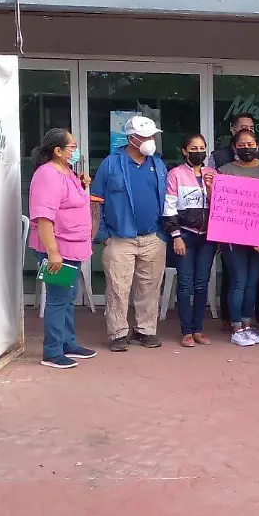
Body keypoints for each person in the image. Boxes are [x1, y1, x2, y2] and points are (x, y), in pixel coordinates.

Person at [91, 115, 168, 353]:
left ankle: (145, 330)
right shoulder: (111, 164)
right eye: (145, 137)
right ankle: (118, 333)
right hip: (119, 237)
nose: (150, 140)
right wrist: (102, 234)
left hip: (153, 236)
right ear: (132, 138)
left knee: (150, 286)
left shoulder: (157, 163)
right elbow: (95, 201)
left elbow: (167, 198)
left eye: (152, 136)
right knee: (118, 287)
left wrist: (163, 233)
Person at [27, 128, 97, 369]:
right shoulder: (47, 174)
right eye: (72, 148)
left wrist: (81, 183)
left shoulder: (67, 172)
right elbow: (44, 217)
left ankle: (68, 342)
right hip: (57, 247)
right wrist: (53, 252)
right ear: (57, 151)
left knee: (67, 298)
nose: (75, 152)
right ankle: (52, 351)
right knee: (58, 299)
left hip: (73, 246)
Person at [213, 129, 259, 346]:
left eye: (250, 144)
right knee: (238, 281)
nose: (246, 148)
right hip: (233, 237)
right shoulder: (224, 171)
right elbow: (217, 203)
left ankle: (248, 326)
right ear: (234, 148)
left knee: (252, 282)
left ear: (257, 146)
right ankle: (236, 327)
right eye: (241, 145)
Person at [163, 133, 216, 348]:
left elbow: (221, 206)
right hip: (184, 234)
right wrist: (175, 235)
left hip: (208, 238)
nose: (198, 152)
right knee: (185, 284)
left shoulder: (213, 173)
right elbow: (169, 206)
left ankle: (198, 329)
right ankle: (186, 331)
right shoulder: (175, 174)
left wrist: (212, 187)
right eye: (193, 148)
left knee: (202, 284)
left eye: (201, 148)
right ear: (184, 151)